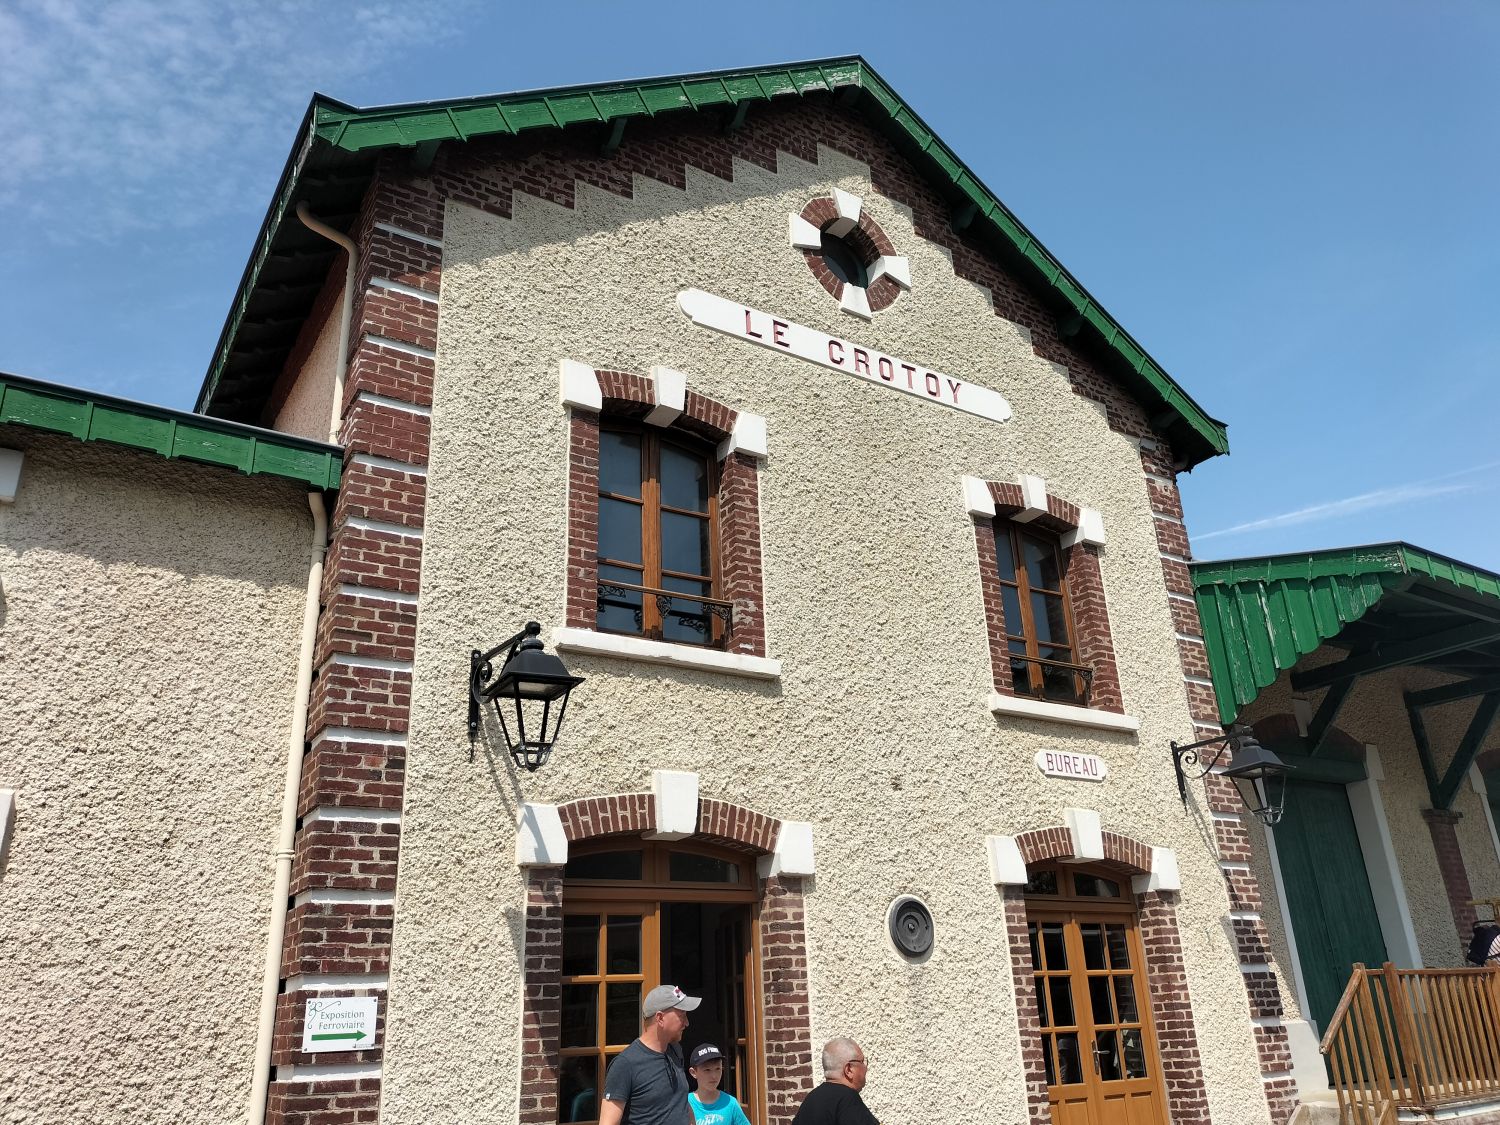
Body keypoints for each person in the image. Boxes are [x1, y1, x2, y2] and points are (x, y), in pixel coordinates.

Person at [599, 984, 701, 1125]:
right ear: (660, 1018)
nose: (687, 1023)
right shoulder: (625, 1064)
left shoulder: (676, 1051)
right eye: (682, 1014)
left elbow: (680, 1101)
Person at [791, 1038, 878, 1125]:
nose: (865, 1067)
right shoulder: (848, 1100)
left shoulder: (811, 1099)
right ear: (849, 1070)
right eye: (862, 1061)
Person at [686, 1043, 752, 1125]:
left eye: (718, 1069)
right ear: (693, 1072)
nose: (714, 1076)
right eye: (707, 1070)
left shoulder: (730, 1103)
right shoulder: (685, 1104)